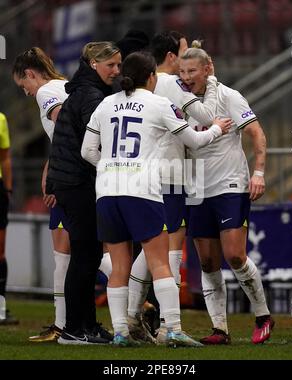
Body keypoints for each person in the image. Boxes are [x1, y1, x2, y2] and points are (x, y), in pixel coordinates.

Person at [81, 51, 231, 347]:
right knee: (160, 261)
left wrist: (113, 167)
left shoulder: (106, 104)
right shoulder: (158, 103)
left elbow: (87, 151)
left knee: (119, 265)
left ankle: (121, 332)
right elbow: (195, 140)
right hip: (141, 192)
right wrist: (217, 128)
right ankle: (173, 328)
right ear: (151, 77)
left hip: (108, 192)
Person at [179, 42, 274, 345]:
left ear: (208, 69)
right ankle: (220, 329)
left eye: (192, 71)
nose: (187, 76)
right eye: (182, 71)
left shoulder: (229, 97)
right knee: (206, 262)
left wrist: (258, 173)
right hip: (197, 188)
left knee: (234, 255)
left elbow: (257, 133)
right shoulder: (180, 101)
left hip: (230, 185)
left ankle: (262, 315)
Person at [127, 31, 218, 343]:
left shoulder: (137, 90)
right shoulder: (171, 84)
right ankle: (167, 325)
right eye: (183, 51)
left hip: (144, 174)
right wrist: (213, 83)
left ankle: (132, 317)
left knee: (154, 246)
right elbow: (207, 116)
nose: (187, 56)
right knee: (166, 246)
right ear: (170, 57)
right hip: (171, 174)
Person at [46, 41, 121, 345]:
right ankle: (76, 329)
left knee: (85, 256)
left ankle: (84, 325)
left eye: (119, 65)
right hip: (78, 182)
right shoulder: (91, 96)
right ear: (93, 65)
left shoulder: (84, 91)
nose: (116, 71)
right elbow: (95, 144)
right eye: (111, 65)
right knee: (85, 256)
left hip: (70, 181)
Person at [12, 47, 70, 341]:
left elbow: (67, 131)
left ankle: (61, 324)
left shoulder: (47, 93)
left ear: (31, 74)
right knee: (88, 251)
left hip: (71, 179)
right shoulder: (66, 85)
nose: (25, 93)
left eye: (24, 86)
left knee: (65, 255)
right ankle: (142, 300)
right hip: (89, 175)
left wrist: (54, 173)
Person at [0, 112, 18, 325]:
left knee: (0, 251)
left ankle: (1, 309)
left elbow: (5, 156)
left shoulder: (2, 119)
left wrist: (9, 188)